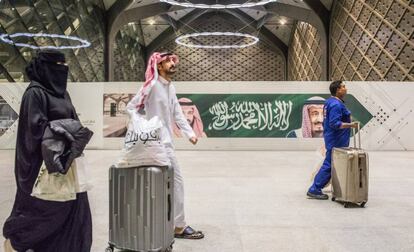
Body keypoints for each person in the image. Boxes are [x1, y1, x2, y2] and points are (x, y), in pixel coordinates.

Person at [2, 49, 92, 251]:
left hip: (67, 164)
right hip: (42, 169)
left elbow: (73, 121)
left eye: (64, 66)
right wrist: (66, 129)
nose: (63, 70)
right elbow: (33, 131)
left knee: (74, 212)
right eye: (58, 66)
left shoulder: (63, 93)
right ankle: (13, 244)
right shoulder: (35, 93)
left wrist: (73, 134)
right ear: (46, 67)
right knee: (49, 213)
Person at [127, 52, 204, 239]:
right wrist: (143, 127)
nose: (172, 63)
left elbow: (177, 113)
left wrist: (190, 133)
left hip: (167, 143)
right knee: (174, 183)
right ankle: (177, 226)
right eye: (167, 61)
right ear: (158, 66)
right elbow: (131, 107)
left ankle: (168, 225)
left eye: (173, 60)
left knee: (168, 184)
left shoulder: (170, 87)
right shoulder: (151, 86)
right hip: (154, 144)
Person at [307, 81, 358, 200]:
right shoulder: (335, 104)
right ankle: (314, 189)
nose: (345, 89)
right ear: (337, 90)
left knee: (332, 164)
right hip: (336, 140)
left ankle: (331, 187)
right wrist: (351, 125)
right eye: (343, 87)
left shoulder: (330, 102)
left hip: (333, 138)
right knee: (329, 164)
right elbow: (335, 124)